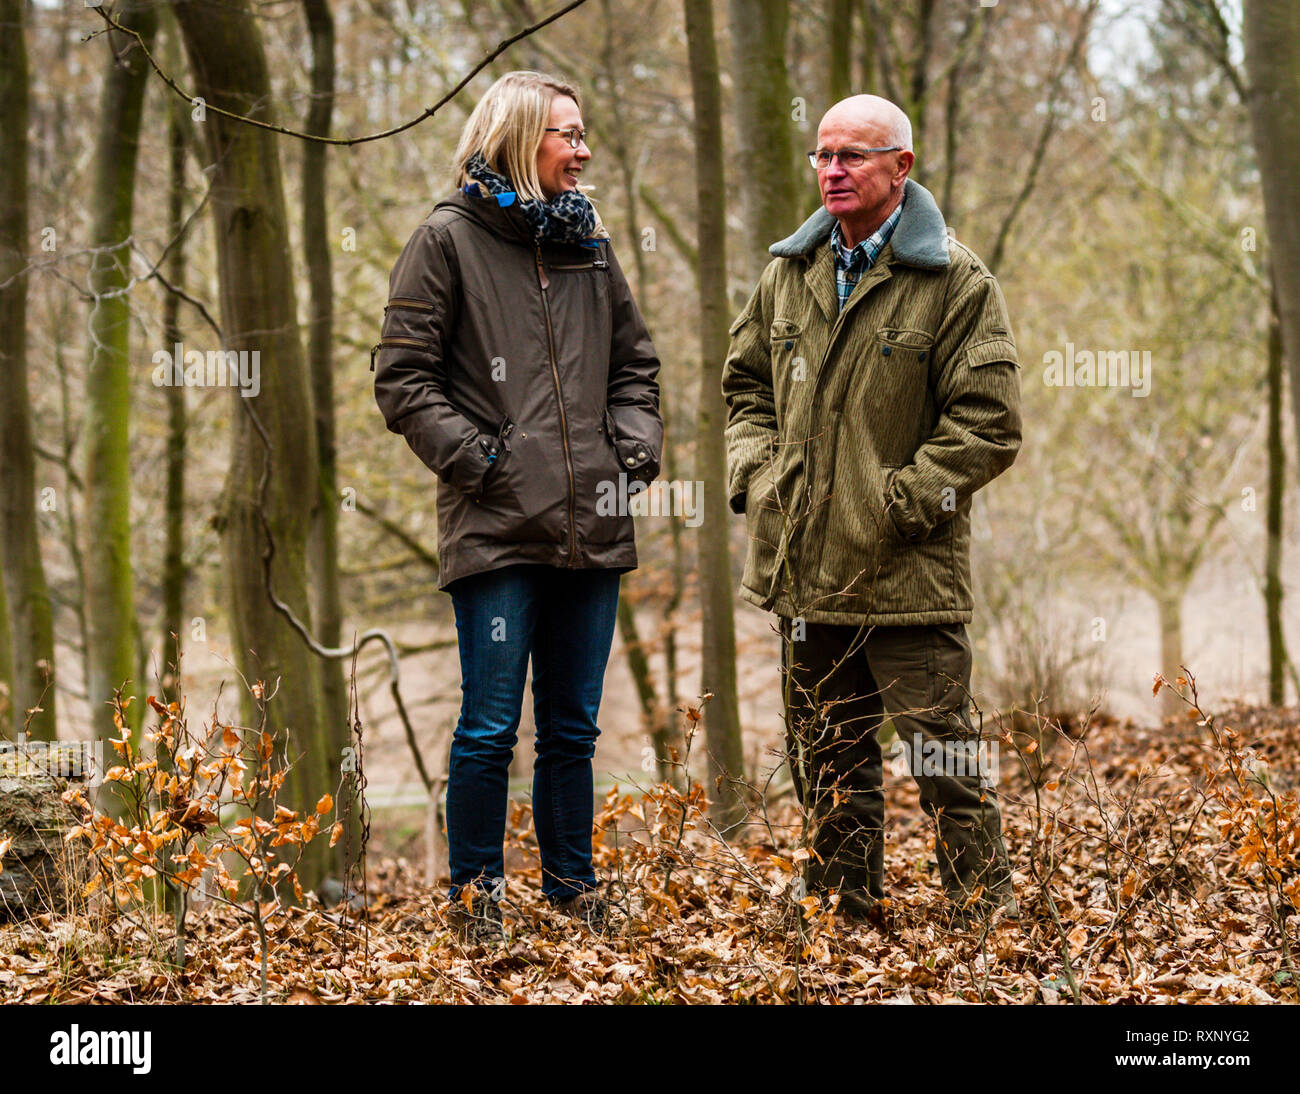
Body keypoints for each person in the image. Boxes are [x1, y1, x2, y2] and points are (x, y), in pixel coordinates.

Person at [372, 71, 663, 943]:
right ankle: (476, 906)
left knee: (572, 729)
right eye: (567, 134)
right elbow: (402, 379)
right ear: (517, 138)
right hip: (495, 530)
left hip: (593, 525)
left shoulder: (591, 248)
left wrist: (632, 450)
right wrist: (483, 462)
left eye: (583, 134)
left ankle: (573, 893)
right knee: (490, 728)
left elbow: (635, 367)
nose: (583, 150)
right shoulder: (446, 240)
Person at [721, 94, 1022, 929]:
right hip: (804, 571)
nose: (832, 171)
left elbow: (989, 424)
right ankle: (842, 913)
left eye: (852, 155)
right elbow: (743, 388)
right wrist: (759, 475)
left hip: (907, 570)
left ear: (902, 167)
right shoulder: (789, 272)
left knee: (945, 759)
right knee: (827, 760)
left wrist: (898, 503)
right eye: (822, 155)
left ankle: (983, 916)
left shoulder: (957, 282)